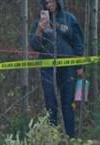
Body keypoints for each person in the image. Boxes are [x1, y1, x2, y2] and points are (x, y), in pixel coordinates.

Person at [29, 0, 84, 137]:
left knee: (68, 104)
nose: (49, 5)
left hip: (68, 68)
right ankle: (52, 140)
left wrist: (79, 65)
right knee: (50, 104)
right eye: (46, 2)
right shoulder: (38, 22)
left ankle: (70, 139)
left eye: (51, 1)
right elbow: (35, 45)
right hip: (47, 68)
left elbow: (78, 43)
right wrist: (40, 30)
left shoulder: (70, 19)